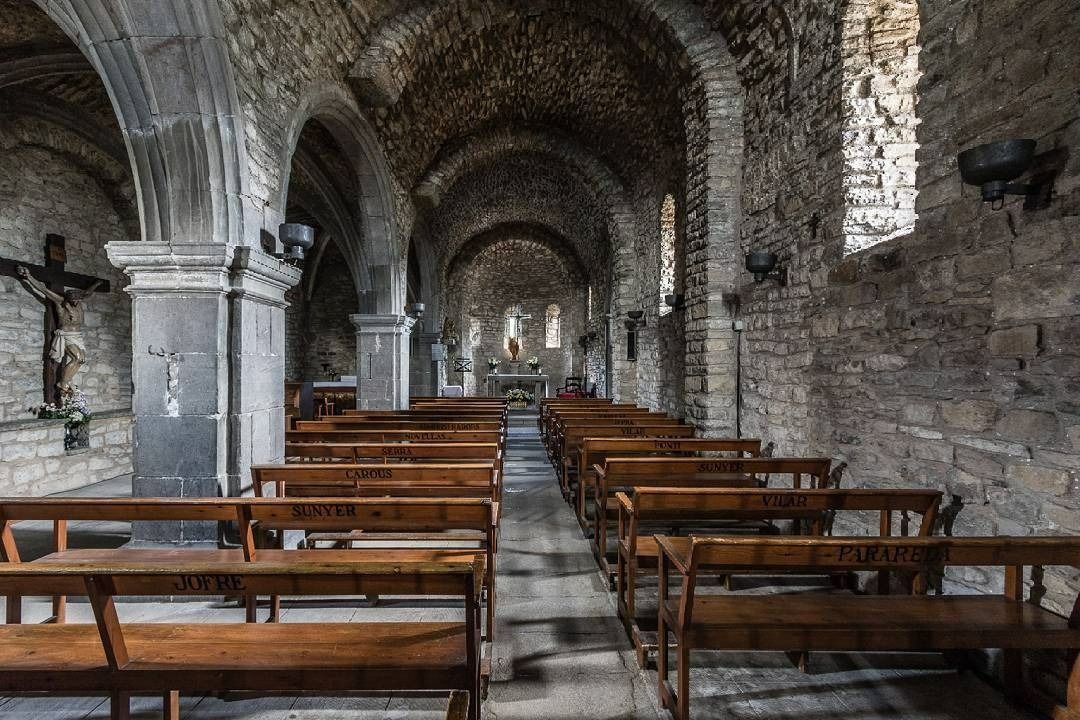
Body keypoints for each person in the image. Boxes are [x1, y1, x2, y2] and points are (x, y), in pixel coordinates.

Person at [16, 266, 102, 393]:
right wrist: (29, 277)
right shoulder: (61, 302)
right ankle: (63, 383)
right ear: (69, 298)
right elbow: (43, 289)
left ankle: (67, 380)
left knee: (82, 360)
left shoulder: (79, 301)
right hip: (66, 335)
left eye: (77, 300)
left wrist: (97, 284)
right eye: (73, 300)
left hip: (77, 335)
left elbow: (88, 293)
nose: (75, 303)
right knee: (77, 358)